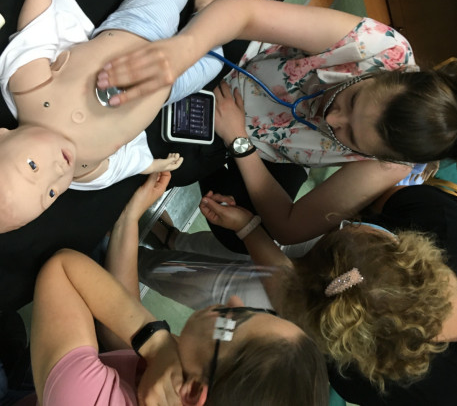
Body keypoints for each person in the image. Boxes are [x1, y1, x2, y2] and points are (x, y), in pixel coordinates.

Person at [96, 0, 457, 253]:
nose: (332, 117)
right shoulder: (380, 48)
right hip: (246, 73)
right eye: (351, 100)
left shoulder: (389, 164)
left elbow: (289, 227)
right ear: (389, 74)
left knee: (241, 234)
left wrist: (240, 144)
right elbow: (245, 14)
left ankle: (211, 156)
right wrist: (183, 50)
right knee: (211, 19)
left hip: (265, 145)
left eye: (349, 135)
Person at [19, 170, 329, 406]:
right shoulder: (186, 378)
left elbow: (63, 269)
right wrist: (129, 218)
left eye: (233, 321)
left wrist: (157, 345)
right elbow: (123, 341)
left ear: (193, 392)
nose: (234, 300)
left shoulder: (82, 397)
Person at [162, 185, 456, 406]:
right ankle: (173, 240)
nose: (233, 304)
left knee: (204, 282)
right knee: (221, 264)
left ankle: (157, 259)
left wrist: (248, 228)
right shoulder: (440, 218)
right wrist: (247, 228)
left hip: (316, 312)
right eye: (353, 224)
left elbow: (292, 294)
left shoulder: (382, 382)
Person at [0, 0, 223, 233]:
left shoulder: (29, 91)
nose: (57, 173)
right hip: (168, 87)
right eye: (51, 194)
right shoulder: (84, 173)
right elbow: (121, 164)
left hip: (140, 31)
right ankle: (205, 9)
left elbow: (34, 33)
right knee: (215, 59)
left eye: (33, 167)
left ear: (3, 136)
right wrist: (149, 165)